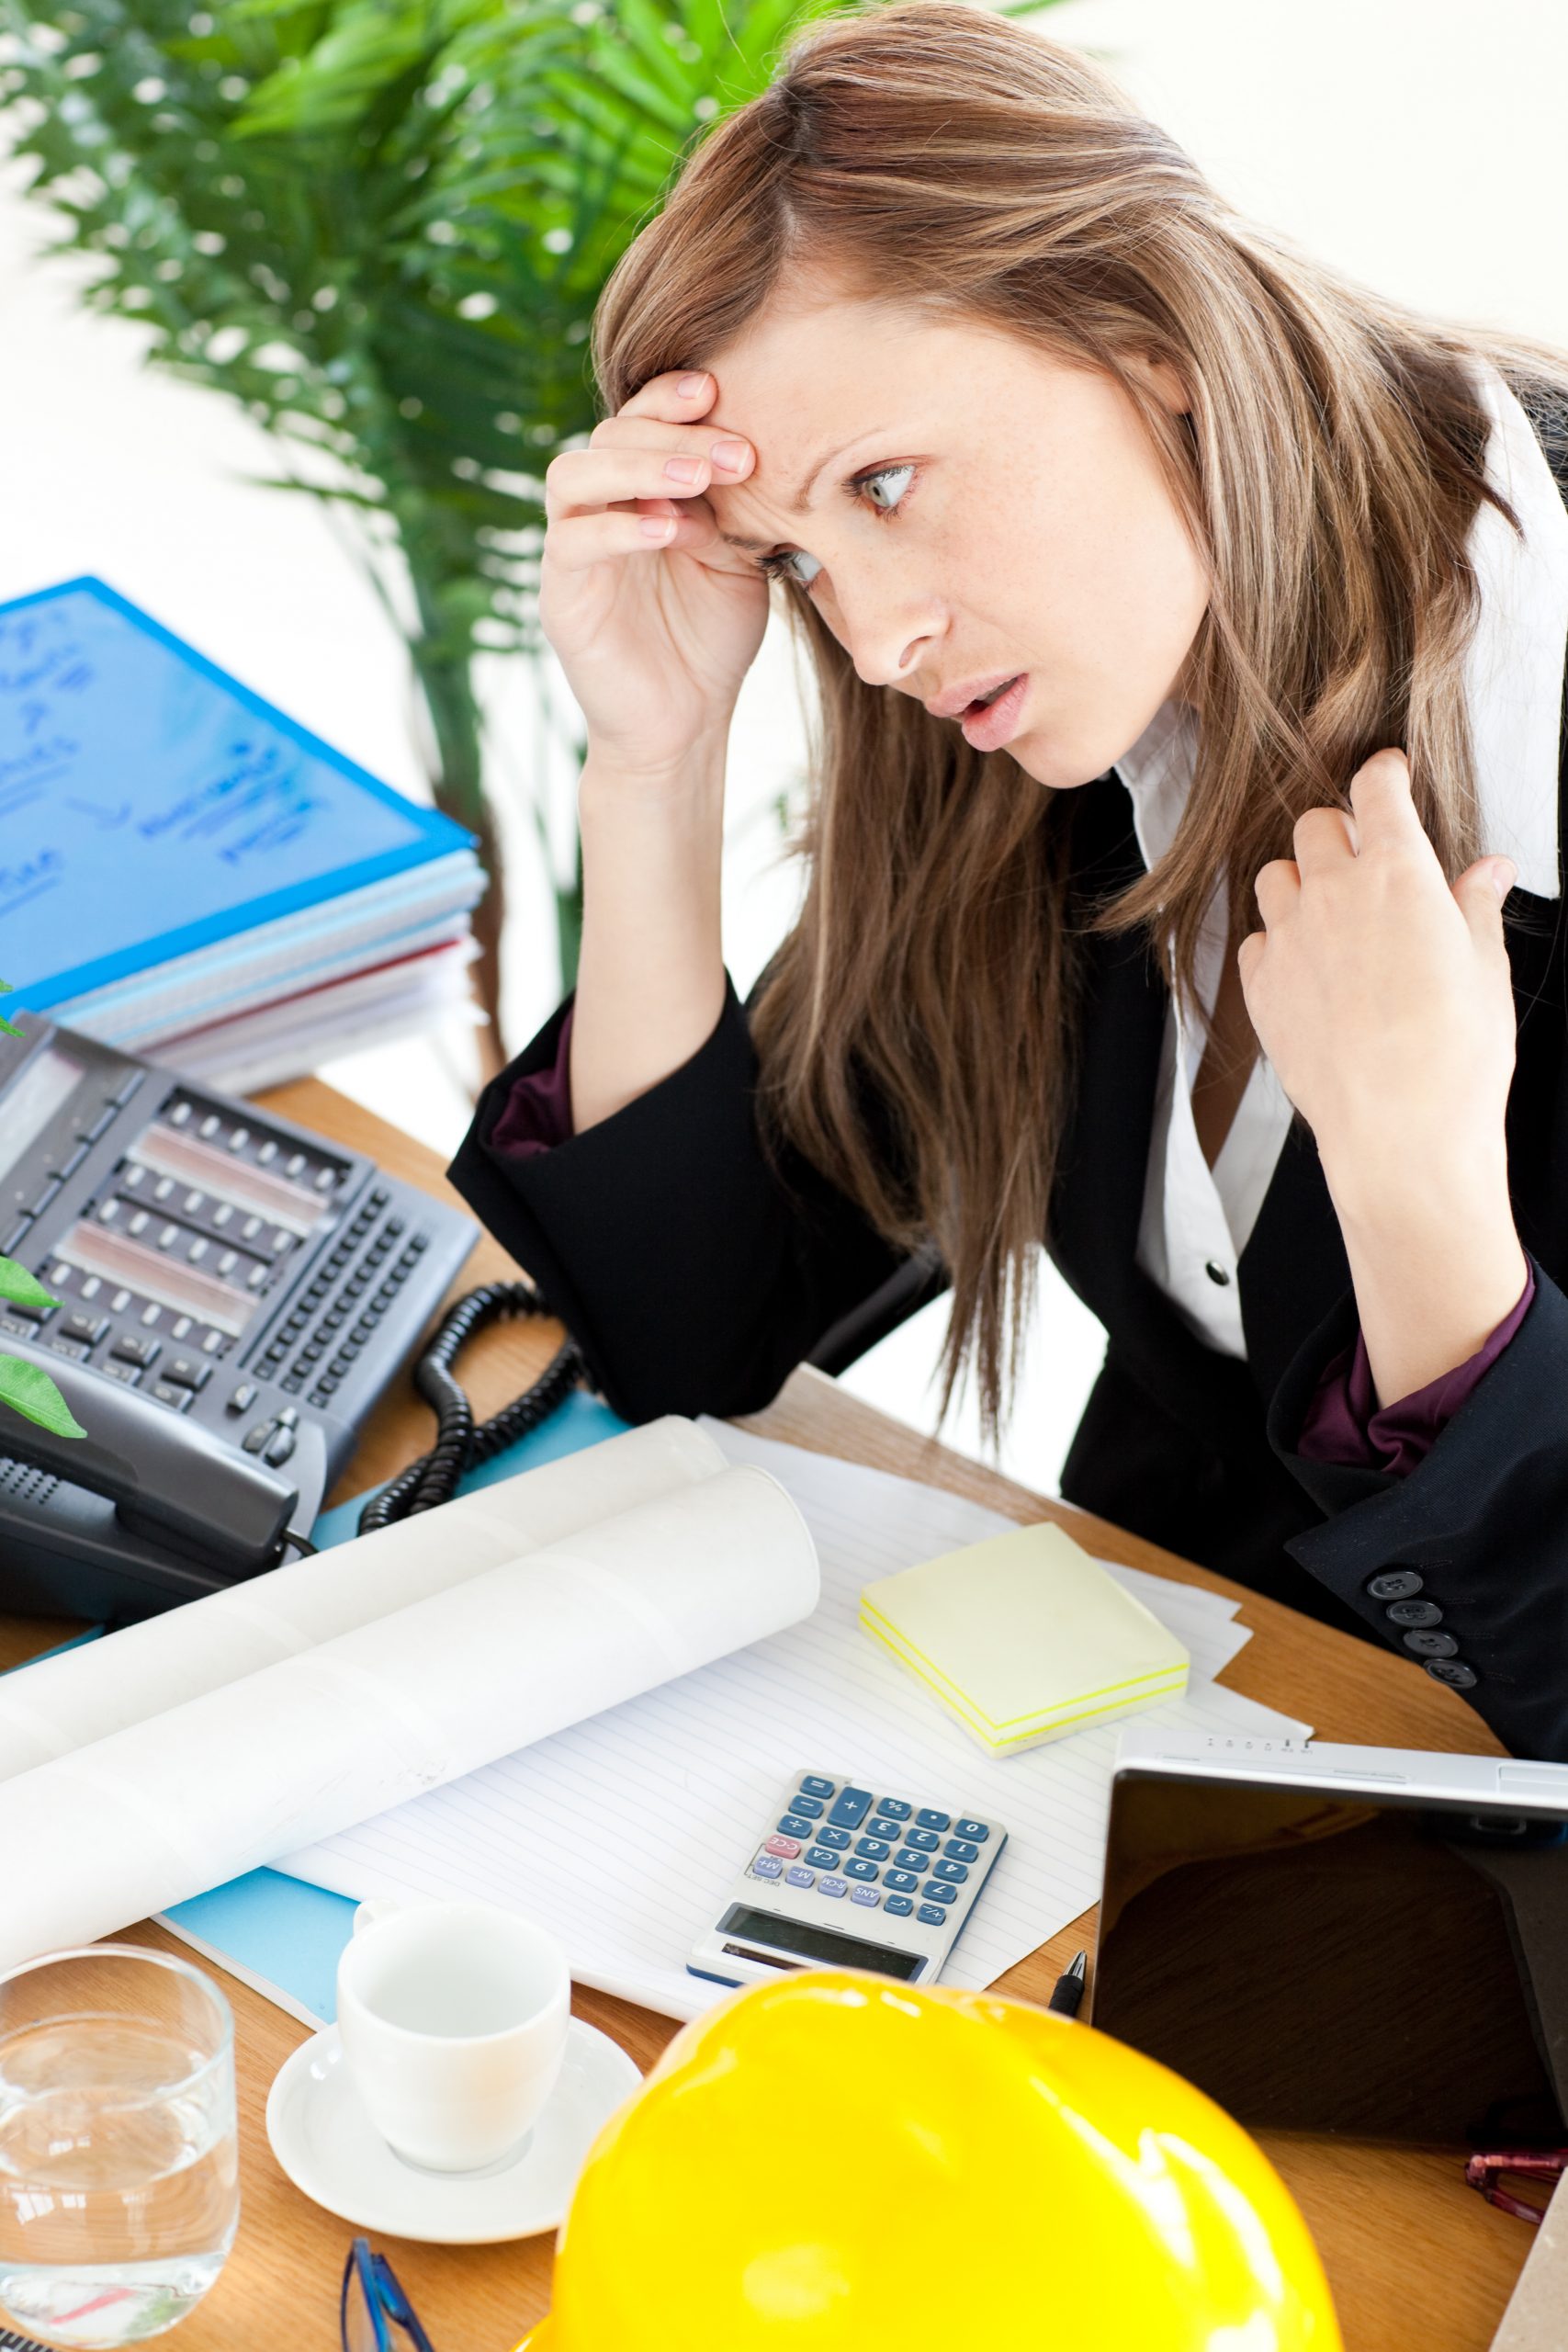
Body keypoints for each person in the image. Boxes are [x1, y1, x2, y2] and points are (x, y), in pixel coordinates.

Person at [448, 1, 1568, 1760]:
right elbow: (695, 1334)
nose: (877, 634)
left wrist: (1421, 1192)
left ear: (1146, 334)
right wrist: (652, 765)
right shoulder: (1053, 709)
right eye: (802, 554)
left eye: (889, 482)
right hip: (1150, 1740)